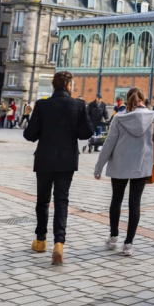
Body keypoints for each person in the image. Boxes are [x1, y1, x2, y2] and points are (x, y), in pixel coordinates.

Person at [23, 71, 93, 265]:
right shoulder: (78, 105)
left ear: (54, 86)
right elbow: (87, 132)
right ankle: (59, 244)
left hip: (44, 160)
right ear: (69, 86)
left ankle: (40, 240)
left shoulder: (42, 105)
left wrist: (31, 120)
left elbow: (30, 135)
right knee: (61, 201)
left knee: (43, 201)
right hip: (66, 161)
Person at [93, 87, 154, 257]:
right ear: (143, 100)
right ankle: (128, 244)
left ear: (128, 100)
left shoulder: (119, 118)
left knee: (116, 200)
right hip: (141, 166)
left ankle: (113, 236)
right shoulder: (153, 117)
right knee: (135, 203)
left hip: (119, 165)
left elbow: (109, 144)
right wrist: (149, 158)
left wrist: (99, 167)